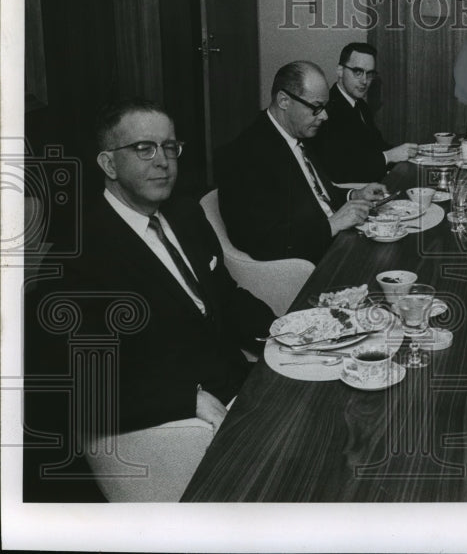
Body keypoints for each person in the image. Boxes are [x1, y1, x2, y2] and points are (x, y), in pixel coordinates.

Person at [67, 98, 276, 435]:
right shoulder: (80, 254)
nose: (163, 161)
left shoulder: (185, 214)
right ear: (109, 164)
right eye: (144, 149)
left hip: (242, 385)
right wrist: (187, 400)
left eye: (169, 146)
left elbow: (225, 295)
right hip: (184, 426)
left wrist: (282, 331)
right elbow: (77, 386)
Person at [218, 61, 385, 262]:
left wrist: (354, 194)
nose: (324, 116)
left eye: (325, 107)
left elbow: (317, 196)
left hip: (336, 241)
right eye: (316, 107)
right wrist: (332, 225)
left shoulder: (298, 133)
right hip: (311, 261)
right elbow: (260, 241)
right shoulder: (245, 155)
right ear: (284, 101)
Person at [314, 42, 417, 183]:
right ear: (340, 70)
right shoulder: (327, 110)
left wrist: (410, 152)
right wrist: (389, 156)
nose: (364, 81)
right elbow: (340, 170)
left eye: (369, 74)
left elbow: (377, 146)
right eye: (357, 72)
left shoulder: (360, 104)